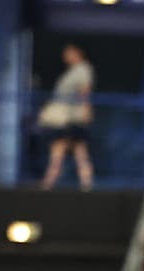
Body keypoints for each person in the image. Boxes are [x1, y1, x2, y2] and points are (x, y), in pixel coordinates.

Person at [38, 45, 96, 190]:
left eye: (69, 54)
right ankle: (50, 182)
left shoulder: (83, 70)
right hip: (63, 118)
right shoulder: (71, 71)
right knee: (62, 148)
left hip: (72, 118)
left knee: (75, 149)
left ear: (78, 53)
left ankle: (84, 183)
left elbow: (85, 92)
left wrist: (86, 111)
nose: (66, 57)